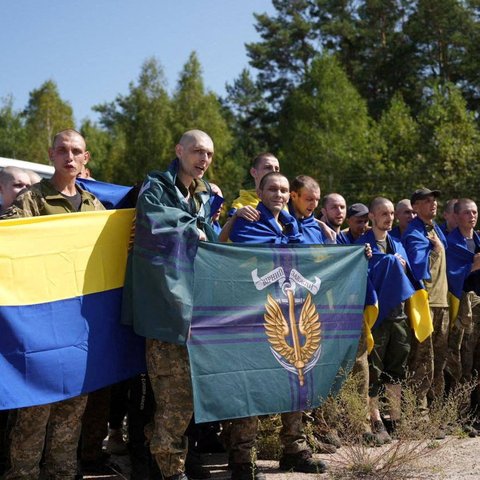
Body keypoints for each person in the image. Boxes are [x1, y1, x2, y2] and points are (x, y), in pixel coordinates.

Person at [2, 129, 105, 480]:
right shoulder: (31, 199)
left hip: (78, 320)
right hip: (40, 318)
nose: (70, 156)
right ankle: (24, 474)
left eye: (77, 151)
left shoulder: (94, 205)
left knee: (72, 406)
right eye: (62, 150)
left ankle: (62, 471)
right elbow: (11, 240)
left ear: (86, 159)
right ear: (51, 154)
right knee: (35, 408)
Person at [124, 130, 216, 480]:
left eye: (208, 154)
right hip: (166, 310)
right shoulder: (157, 186)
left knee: (187, 398)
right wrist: (194, 228)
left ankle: (170, 463)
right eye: (196, 152)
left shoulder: (202, 195)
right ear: (179, 151)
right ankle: (170, 470)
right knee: (173, 398)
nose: (203, 160)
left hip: (195, 309)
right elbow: (153, 223)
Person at [228, 172, 327, 477]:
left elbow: (307, 256)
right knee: (253, 385)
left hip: (290, 313)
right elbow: (257, 252)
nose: (280, 194)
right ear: (259, 190)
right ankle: (243, 458)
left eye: (284, 190)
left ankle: (294, 449)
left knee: (295, 377)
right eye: (273, 188)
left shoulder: (290, 222)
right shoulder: (248, 219)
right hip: (254, 314)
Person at [357, 198, 414, 440]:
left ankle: (396, 419)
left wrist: (401, 265)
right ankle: (376, 419)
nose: (389, 218)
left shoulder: (397, 244)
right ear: (372, 216)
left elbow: (411, 278)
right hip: (376, 317)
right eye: (383, 213)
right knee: (374, 368)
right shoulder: (363, 245)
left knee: (397, 368)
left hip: (399, 316)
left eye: (391, 213)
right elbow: (361, 279)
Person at [402, 188, 449, 421]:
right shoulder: (414, 233)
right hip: (425, 304)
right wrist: (435, 251)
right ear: (416, 207)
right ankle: (418, 415)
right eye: (427, 201)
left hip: (442, 303)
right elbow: (419, 268)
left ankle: (436, 413)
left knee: (439, 360)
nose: (433, 204)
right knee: (423, 360)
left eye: (434, 201)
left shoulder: (434, 229)